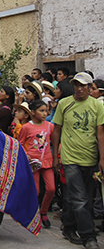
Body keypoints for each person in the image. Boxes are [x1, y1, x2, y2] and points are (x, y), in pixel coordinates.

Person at [52, 72, 104, 249]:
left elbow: (100, 133)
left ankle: (69, 227)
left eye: (83, 85)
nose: (79, 88)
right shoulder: (64, 104)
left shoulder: (97, 106)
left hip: (90, 158)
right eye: (76, 85)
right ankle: (89, 237)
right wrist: (55, 156)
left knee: (86, 199)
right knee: (80, 199)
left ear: (90, 87)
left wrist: (102, 159)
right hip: (70, 157)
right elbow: (57, 130)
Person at [19, 100, 55, 228]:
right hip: (33, 163)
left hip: (47, 161)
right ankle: (33, 213)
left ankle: (43, 211)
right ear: (33, 112)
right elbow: (20, 143)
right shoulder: (26, 127)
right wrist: (26, 155)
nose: (45, 113)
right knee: (36, 190)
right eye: (41, 110)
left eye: (46, 111)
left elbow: (56, 141)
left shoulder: (50, 126)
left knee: (51, 188)